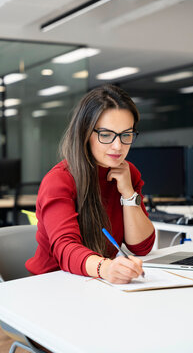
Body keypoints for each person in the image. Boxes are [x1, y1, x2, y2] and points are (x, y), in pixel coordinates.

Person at [26, 84, 155, 284]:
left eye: (126, 135)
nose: (118, 146)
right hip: (51, 286)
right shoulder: (59, 180)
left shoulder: (128, 173)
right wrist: (107, 268)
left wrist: (128, 194)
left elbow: (142, 247)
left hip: (96, 284)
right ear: (85, 133)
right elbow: (65, 249)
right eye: (106, 135)